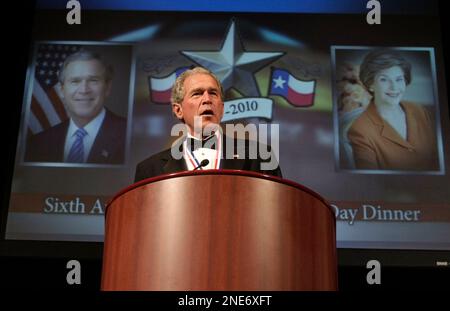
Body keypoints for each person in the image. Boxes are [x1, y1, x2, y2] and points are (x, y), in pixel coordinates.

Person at [135, 67, 282, 182]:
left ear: (222, 108)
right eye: (197, 93)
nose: (207, 99)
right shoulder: (150, 170)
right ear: (178, 110)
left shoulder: (260, 157)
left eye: (213, 93)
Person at [25, 50, 127, 164]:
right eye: (75, 81)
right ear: (62, 90)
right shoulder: (38, 143)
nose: (84, 90)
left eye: (93, 80)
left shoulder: (130, 135)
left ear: (107, 88)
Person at [347, 49, 438, 171]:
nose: (394, 87)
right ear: (370, 84)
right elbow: (369, 180)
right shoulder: (360, 130)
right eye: (384, 79)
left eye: (399, 79)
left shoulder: (419, 110)